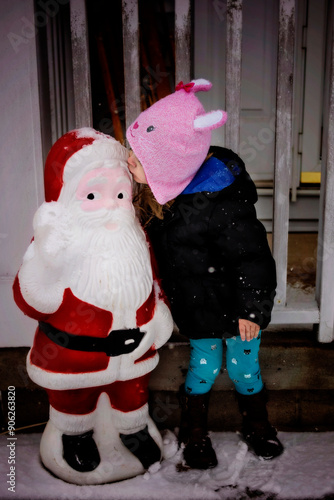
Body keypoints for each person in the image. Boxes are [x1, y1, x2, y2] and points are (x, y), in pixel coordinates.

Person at [126, 79, 284, 470]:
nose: (128, 161)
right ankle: (193, 430)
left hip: (237, 306)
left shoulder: (222, 204)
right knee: (205, 365)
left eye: (138, 158)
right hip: (196, 306)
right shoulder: (156, 194)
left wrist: (253, 309)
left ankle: (258, 423)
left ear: (169, 165)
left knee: (243, 367)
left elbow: (254, 258)